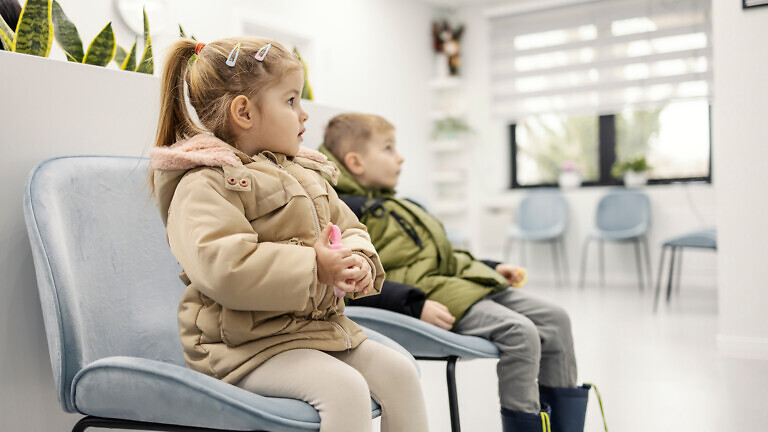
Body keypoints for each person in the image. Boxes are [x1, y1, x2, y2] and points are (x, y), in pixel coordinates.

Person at [149, 38, 428, 432]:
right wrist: (315, 266)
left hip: (313, 332)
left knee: (400, 375)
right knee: (345, 389)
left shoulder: (306, 173)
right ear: (244, 112)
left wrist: (358, 260)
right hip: (241, 348)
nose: (304, 115)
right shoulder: (203, 184)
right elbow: (224, 268)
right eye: (291, 101)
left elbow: (349, 228)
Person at [320, 113, 591, 432]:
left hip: (453, 284)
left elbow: (442, 255)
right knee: (521, 333)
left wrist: (490, 268)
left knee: (556, 318)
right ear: (356, 162)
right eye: (389, 148)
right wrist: (414, 305)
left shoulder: (397, 205)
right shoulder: (344, 213)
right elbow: (349, 284)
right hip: (433, 297)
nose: (401, 156)